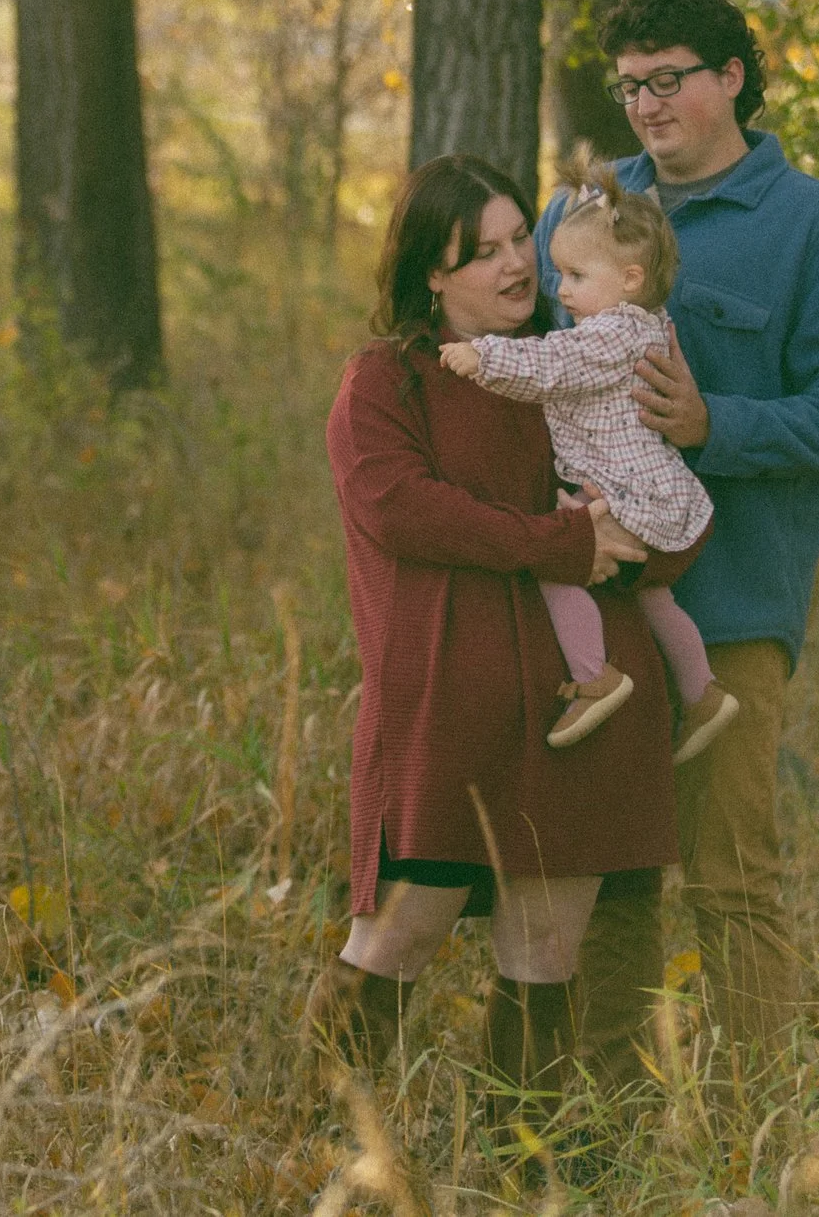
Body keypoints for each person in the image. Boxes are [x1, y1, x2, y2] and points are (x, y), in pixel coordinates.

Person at [546, 0, 819, 1091]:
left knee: (732, 875)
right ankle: (609, 1137)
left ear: (732, 74)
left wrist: (716, 424)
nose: (645, 104)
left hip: (732, 606)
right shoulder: (583, 213)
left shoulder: (816, 229)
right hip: (592, 604)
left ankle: (758, 1146)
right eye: (629, 85)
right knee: (609, 875)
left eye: (668, 79)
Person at [308, 153, 701, 1130]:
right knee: (394, 940)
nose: (512, 264)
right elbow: (407, 511)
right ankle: (314, 1156)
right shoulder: (386, 379)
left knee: (543, 958)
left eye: (517, 237)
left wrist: (635, 526)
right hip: (451, 714)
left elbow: (647, 520)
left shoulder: (576, 367)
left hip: (584, 718)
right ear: (429, 273)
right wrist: (563, 539)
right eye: (477, 251)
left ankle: (516, 1179)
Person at [437, 159, 737, 759]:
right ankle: (702, 691)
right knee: (654, 596)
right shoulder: (644, 323)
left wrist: (484, 359)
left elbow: (553, 366)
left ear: (629, 279)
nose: (560, 290)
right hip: (661, 503)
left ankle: (594, 675)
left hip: (637, 498)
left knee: (562, 557)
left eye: (575, 275)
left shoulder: (610, 333)